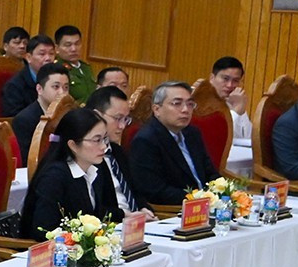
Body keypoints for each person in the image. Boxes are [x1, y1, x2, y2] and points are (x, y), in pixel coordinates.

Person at [20, 108, 120, 237]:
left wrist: (127, 215)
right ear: (73, 145)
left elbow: (96, 213)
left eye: (105, 139)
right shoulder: (53, 178)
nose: (104, 146)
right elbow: (43, 231)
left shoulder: (95, 169)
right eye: (97, 140)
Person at [128, 81, 220, 206]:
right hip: (176, 210)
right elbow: (155, 191)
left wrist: (223, 190)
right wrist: (199, 198)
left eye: (190, 104)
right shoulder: (146, 140)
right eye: (177, 104)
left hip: (206, 205)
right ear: (157, 109)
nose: (185, 110)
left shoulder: (192, 133)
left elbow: (210, 172)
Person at [86, 84, 144, 214]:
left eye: (126, 119)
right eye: (117, 118)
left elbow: (135, 192)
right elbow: (93, 208)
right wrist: (125, 215)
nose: (122, 126)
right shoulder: (86, 156)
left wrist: (144, 209)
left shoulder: (117, 152)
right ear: (97, 115)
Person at [12, 61, 74, 161]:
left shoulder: (70, 114)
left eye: (66, 87)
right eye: (56, 87)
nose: (62, 93)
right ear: (39, 89)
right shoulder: (24, 120)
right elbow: (27, 160)